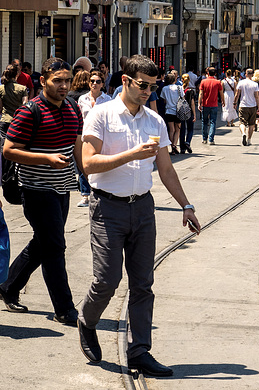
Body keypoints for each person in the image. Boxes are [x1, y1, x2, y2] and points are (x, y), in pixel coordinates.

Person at [77, 54, 201, 376]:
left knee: (143, 283)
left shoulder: (154, 121)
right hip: (108, 207)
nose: (147, 91)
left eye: (152, 86)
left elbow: (166, 169)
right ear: (126, 81)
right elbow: (88, 164)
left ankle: (140, 351)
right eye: (142, 85)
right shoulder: (101, 115)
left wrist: (186, 205)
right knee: (107, 280)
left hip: (143, 207)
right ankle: (87, 319)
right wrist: (131, 154)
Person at [0, 58, 82, 324]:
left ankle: (8, 286)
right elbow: (9, 150)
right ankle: (64, 308)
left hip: (63, 188)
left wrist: (87, 174)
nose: (63, 85)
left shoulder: (72, 107)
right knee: (55, 246)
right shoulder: (30, 111)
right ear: (43, 80)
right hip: (35, 188)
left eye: (67, 80)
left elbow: (76, 144)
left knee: (44, 242)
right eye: (57, 80)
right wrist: (47, 159)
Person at [77, 71, 111, 207]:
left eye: (97, 81)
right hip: (85, 135)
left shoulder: (107, 100)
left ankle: (99, 190)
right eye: (92, 81)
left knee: (98, 163)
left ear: (102, 84)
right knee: (83, 164)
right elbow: (80, 117)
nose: (94, 84)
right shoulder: (82, 99)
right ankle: (85, 195)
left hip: (101, 136)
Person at [0, 64, 28, 142]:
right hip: (18, 121)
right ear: (17, 74)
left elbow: (0, 107)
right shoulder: (22, 88)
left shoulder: (1, 88)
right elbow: (25, 105)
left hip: (5, 120)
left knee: (3, 146)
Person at [198, 66, 224, 145]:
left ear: (208, 73)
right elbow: (221, 93)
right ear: (215, 74)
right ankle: (211, 139)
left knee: (204, 121)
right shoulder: (218, 82)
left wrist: (199, 103)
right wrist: (223, 101)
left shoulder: (203, 81)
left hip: (205, 104)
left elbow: (201, 93)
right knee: (213, 122)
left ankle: (204, 138)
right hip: (214, 104)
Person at [235, 68, 259, 146]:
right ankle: (249, 140)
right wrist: (258, 107)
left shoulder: (241, 83)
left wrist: (234, 102)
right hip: (252, 106)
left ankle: (243, 133)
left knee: (242, 122)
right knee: (251, 124)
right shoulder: (255, 84)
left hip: (243, 105)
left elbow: (237, 94)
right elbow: (257, 96)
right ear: (252, 75)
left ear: (246, 74)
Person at [160, 72, 184, 155]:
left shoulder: (164, 89)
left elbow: (164, 100)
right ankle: (174, 145)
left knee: (171, 130)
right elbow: (183, 98)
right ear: (175, 79)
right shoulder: (179, 87)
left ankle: (172, 147)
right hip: (178, 111)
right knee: (177, 130)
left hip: (169, 111)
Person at [179, 74, 197, 153]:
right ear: (189, 80)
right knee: (190, 129)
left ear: (182, 80)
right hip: (189, 111)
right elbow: (192, 103)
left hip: (181, 112)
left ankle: (182, 148)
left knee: (182, 130)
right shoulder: (191, 91)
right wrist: (194, 114)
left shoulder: (179, 90)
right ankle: (187, 142)